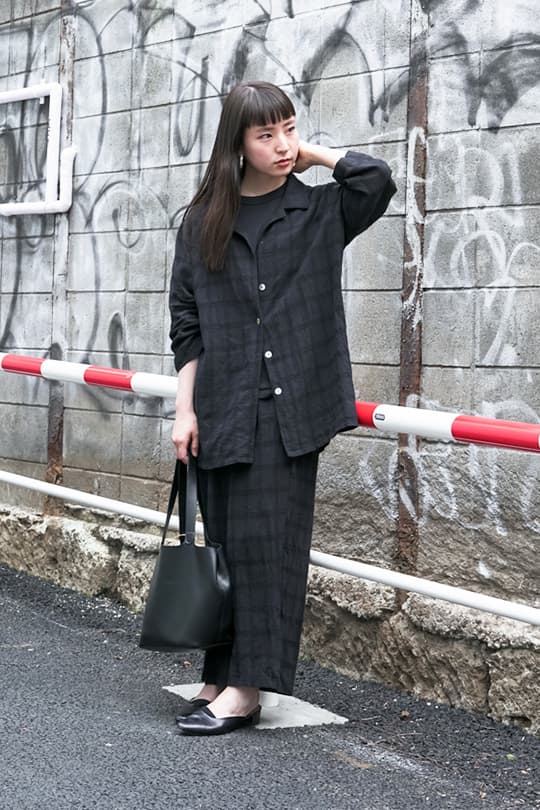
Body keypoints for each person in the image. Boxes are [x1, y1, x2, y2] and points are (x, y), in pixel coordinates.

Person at [169, 81, 396, 736]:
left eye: (287, 129)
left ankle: (243, 691)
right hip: (219, 406)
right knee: (228, 549)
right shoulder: (202, 221)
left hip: (289, 410)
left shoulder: (320, 211)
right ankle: (218, 675)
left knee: (269, 548)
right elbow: (187, 326)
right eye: (264, 135)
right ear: (236, 143)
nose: (280, 145)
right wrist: (184, 411)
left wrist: (314, 154)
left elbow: (375, 181)